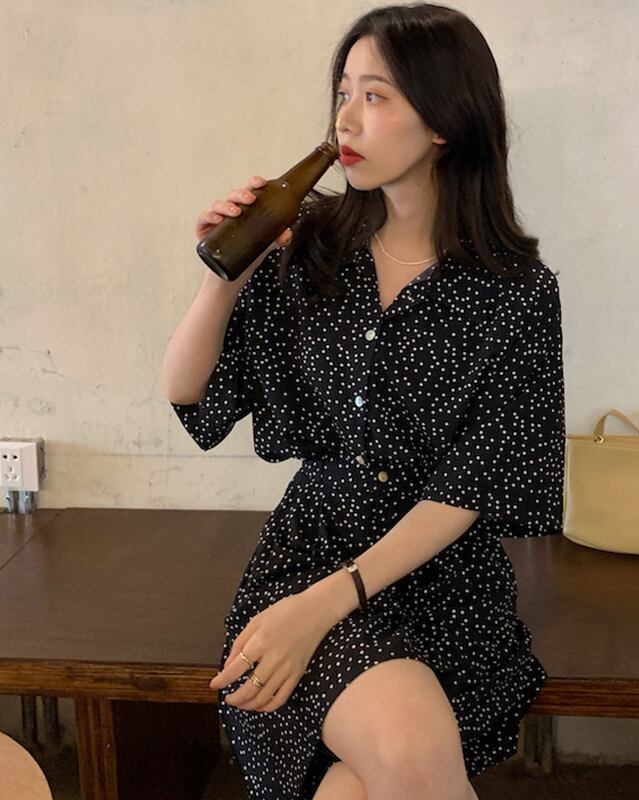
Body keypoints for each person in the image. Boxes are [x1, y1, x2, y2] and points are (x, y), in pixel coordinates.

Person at [161, 3, 565, 799]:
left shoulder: (515, 293)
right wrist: (224, 277)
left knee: (353, 789)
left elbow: (470, 486)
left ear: (444, 119)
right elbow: (187, 388)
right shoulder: (311, 245)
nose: (345, 119)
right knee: (409, 747)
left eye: (375, 96)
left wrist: (323, 607)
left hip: (444, 586)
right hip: (306, 559)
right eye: (343, 93)